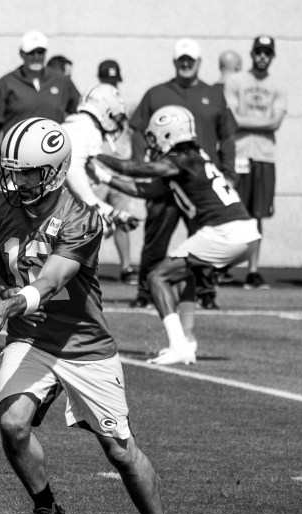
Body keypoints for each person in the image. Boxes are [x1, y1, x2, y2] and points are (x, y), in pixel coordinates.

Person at [0, 117, 178, 514]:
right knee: (12, 424)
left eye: (27, 172)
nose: (16, 180)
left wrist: (8, 305)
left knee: (120, 452)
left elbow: (51, 280)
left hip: (84, 344)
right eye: (12, 170)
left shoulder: (81, 217)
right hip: (31, 337)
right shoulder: (0, 207)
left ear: (55, 171)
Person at [94, 105, 260, 365]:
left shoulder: (182, 159)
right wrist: (103, 177)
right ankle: (187, 339)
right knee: (185, 275)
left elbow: (135, 169)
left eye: (154, 136)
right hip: (243, 232)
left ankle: (178, 345)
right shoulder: (190, 160)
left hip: (224, 232)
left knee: (156, 277)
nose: (151, 143)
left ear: (168, 133)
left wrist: (96, 156)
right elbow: (143, 190)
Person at [128, 38, 237, 310]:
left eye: (190, 59)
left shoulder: (214, 94)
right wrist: (141, 166)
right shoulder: (157, 93)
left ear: (199, 62)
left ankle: (206, 291)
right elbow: (137, 130)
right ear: (175, 62)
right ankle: (146, 291)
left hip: (200, 185)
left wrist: (228, 173)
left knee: (205, 237)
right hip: (165, 181)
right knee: (156, 238)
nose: (186, 64)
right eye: (181, 59)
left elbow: (227, 136)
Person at [0, 31, 80, 191]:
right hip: (15, 164)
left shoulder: (62, 82)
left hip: (53, 163)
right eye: (31, 52)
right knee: (11, 206)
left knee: (55, 206)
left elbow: (79, 116)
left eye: (40, 52)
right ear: (22, 54)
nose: (36, 57)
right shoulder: (5, 84)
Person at [224, 35, 287, 290]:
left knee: (257, 215)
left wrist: (246, 120)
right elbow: (232, 119)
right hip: (238, 155)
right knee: (232, 213)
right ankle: (223, 266)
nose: (262, 56)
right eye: (258, 52)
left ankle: (253, 270)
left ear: (272, 56)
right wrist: (261, 122)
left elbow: (275, 122)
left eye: (267, 53)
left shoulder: (278, 85)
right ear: (252, 54)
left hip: (264, 157)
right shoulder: (236, 81)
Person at [61, 83, 140, 284]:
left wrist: (109, 184)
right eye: (115, 117)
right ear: (105, 111)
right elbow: (73, 168)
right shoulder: (85, 130)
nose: (116, 123)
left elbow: (85, 165)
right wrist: (100, 208)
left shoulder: (77, 126)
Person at [95, 59, 143, 283]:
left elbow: (137, 128)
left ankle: (126, 267)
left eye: (113, 81)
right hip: (98, 169)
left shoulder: (125, 105)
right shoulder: (93, 105)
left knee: (122, 220)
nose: (111, 85)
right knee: (92, 221)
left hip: (121, 170)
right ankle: (86, 267)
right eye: (107, 81)